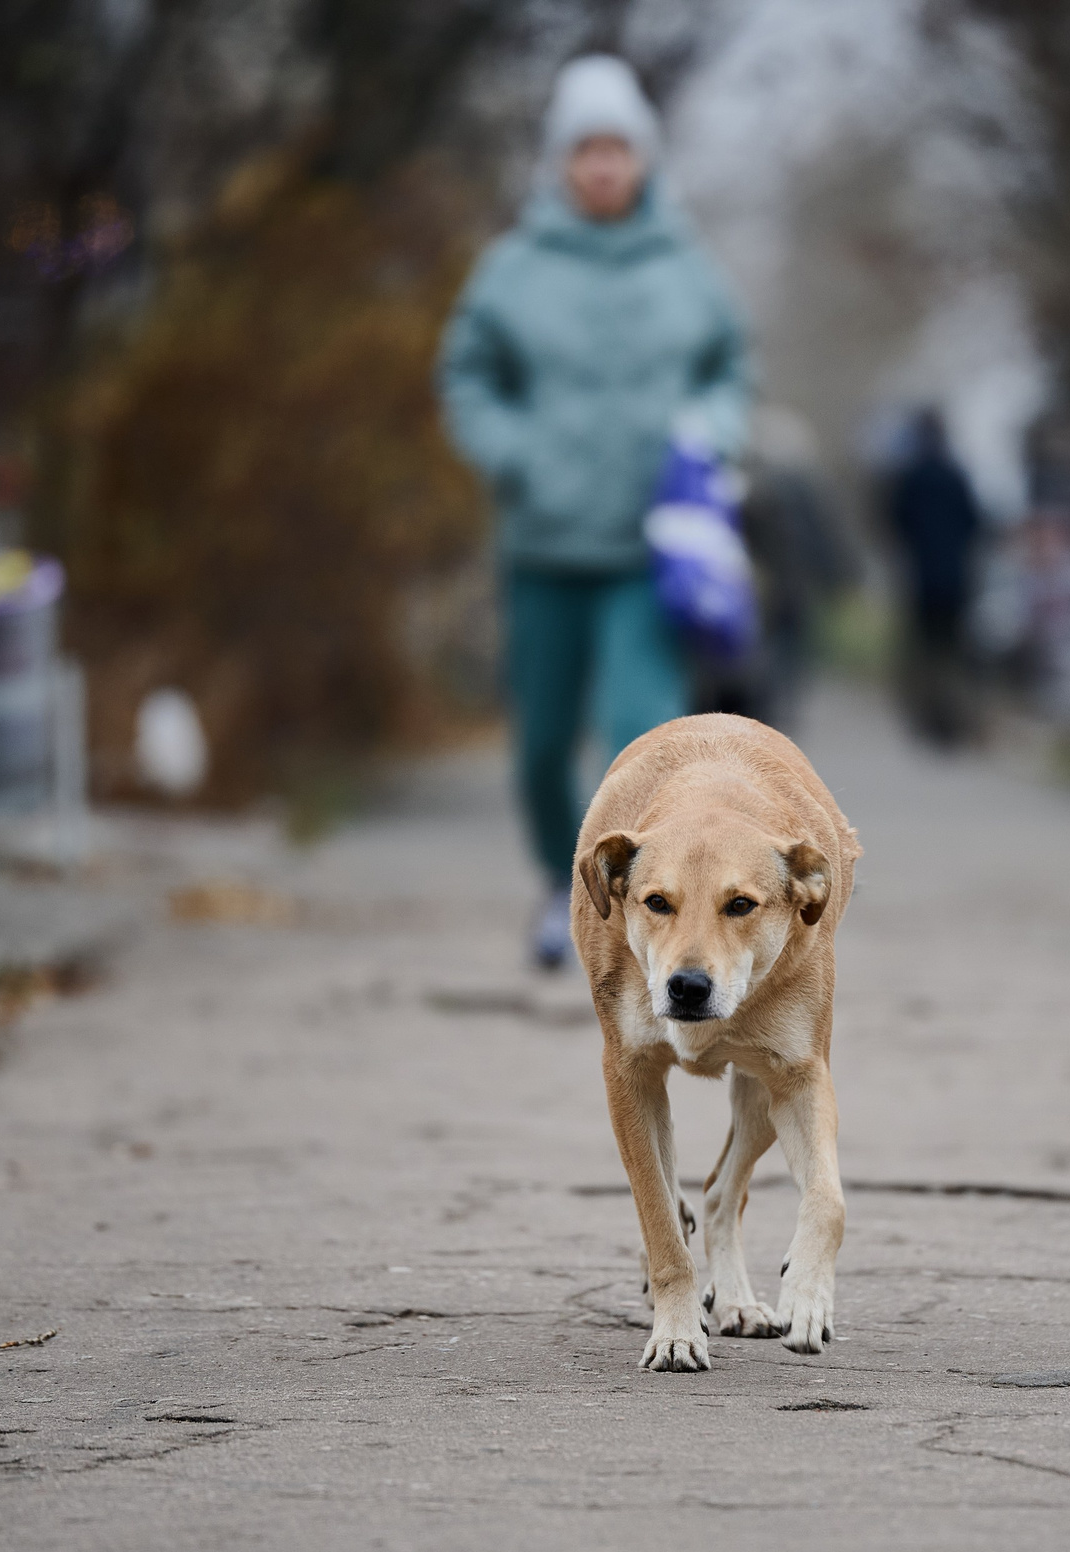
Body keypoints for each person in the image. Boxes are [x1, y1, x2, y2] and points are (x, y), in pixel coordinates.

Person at [437, 55, 754, 969]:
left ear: (645, 159)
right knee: (541, 745)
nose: (605, 166)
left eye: (620, 148)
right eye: (588, 150)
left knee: (642, 735)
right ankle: (557, 882)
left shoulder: (689, 270)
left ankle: (630, 923)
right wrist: (511, 453)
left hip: (645, 554)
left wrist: (714, 429)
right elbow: (465, 372)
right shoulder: (513, 270)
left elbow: (732, 366)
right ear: (562, 163)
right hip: (543, 543)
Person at [885, 407, 982, 747]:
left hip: (922, 579)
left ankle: (925, 719)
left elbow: (896, 521)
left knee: (923, 651)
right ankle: (950, 721)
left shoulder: (911, 476)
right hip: (955, 579)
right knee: (951, 651)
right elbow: (975, 522)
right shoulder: (957, 476)